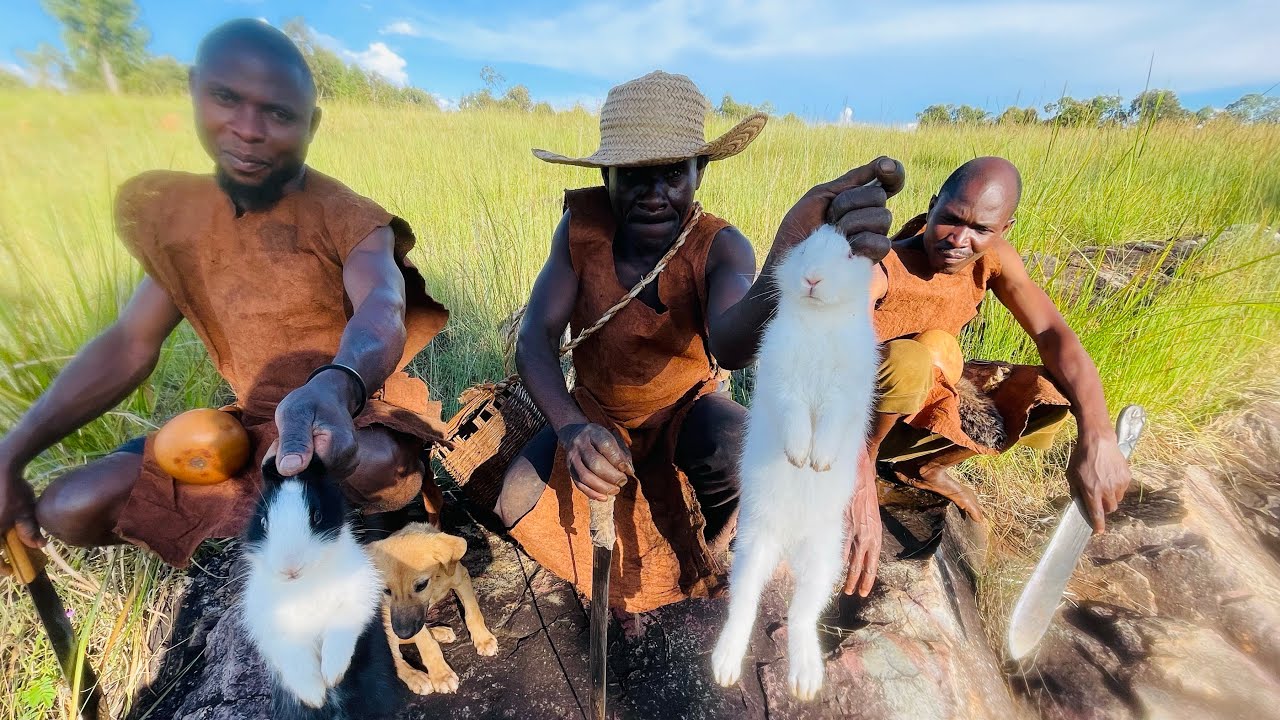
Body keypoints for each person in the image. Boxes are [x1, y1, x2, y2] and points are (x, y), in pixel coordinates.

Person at [0, 19, 450, 572]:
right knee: (67, 509)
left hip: (355, 414)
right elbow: (129, 343)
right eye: (226, 99)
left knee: (372, 465)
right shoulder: (186, 226)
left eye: (279, 114)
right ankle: (276, 512)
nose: (248, 129)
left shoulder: (347, 216)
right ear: (194, 91)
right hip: (250, 431)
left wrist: (338, 386)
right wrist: (11, 454)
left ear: (311, 125)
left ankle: (309, 515)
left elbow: (383, 306)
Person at [499, 70, 900, 612]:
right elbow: (536, 338)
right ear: (608, 175)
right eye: (635, 176)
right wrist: (572, 429)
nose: (655, 193)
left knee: (742, 456)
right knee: (514, 504)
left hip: (687, 410)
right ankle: (616, 588)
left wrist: (790, 255)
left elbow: (732, 346)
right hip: (596, 411)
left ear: (700, 172)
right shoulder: (582, 229)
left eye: (672, 174)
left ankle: (721, 578)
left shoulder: (720, 246)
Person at [866, 157, 1131, 537]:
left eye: (980, 229)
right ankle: (862, 470)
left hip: (922, 400)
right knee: (911, 359)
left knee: (1050, 392)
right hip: (859, 410)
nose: (958, 240)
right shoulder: (881, 266)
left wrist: (1098, 434)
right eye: (951, 219)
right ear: (932, 205)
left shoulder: (993, 258)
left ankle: (925, 467)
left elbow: (1052, 334)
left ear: (1004, 229)